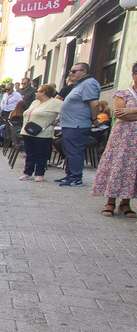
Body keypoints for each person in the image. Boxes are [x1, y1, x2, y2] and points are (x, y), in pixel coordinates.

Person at [92, 63, 137, 217]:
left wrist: (130, 112)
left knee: (133, 169)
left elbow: (126, 113)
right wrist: (127, 113)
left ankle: (126, 203)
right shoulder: (123, 94)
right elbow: (118, 114)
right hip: (123, 139)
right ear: (133, 75)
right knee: (118, 165)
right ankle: (110, 201)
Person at [57, 63, 102, 187]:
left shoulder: (89, 83)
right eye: (70, 71)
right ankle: (70, 175)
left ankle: (76, 177)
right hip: (69, 123)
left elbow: (94, 104)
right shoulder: (79, 85)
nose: (71, 74)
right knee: (68, 150)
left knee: (75, 151)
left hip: (77, 124)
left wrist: (94, 119)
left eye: (74, 71)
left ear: (84, 72)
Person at [19, 84, 61, 182]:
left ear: (43, 93)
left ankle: (39, 173)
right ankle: (27, 173)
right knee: (29, 153)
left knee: (41, 153)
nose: (36, 92)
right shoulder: (35, 102)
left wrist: (58, 120)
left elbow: (66, 111)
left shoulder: (55, 102)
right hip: (28, 131)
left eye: (38, 91)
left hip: (43, 133)